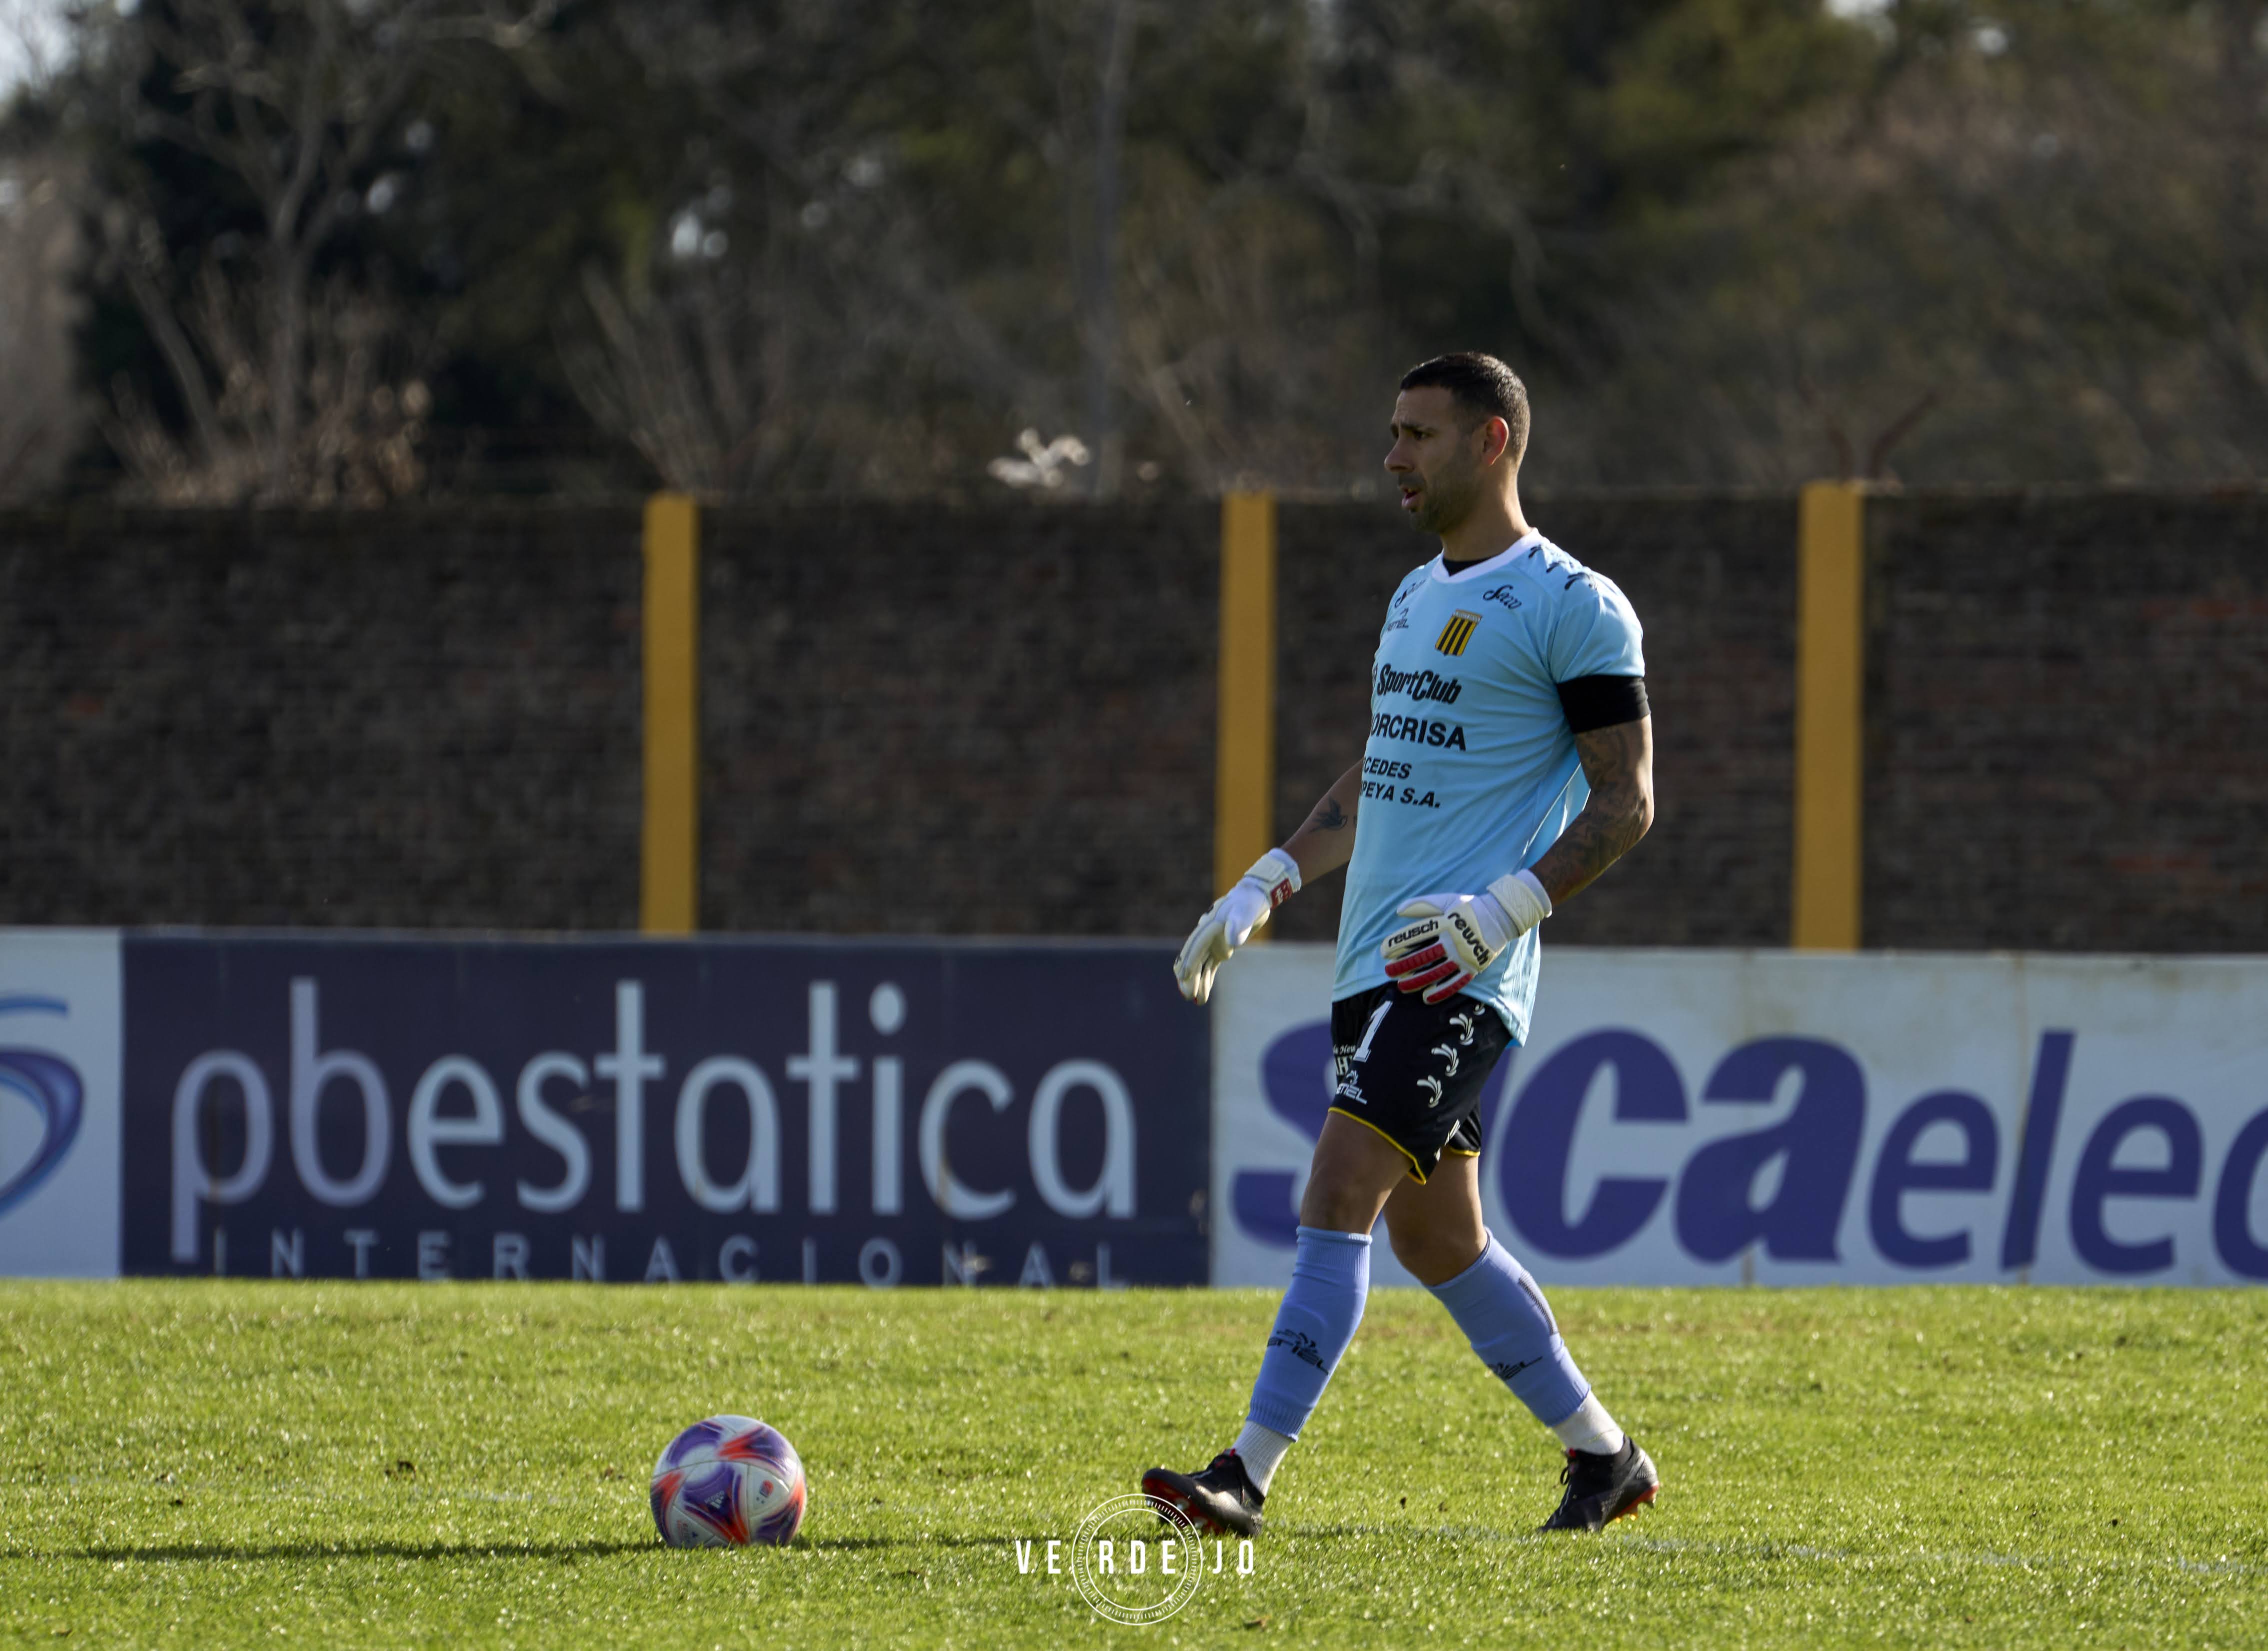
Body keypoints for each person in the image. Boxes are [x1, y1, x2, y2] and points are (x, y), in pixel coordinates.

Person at [1144, 352, 1660, 1537]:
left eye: (1417, 435)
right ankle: (1605, 1455)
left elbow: (1625, 800)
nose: (1391, 457)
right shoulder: (1415, 595)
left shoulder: (1575, 604)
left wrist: (1501, 913)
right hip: (1370, 963)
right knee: (1441, 1238)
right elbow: (1386, 768)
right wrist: (1271, 876)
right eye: (1391, 432)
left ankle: (1243, 1477)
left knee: (1338, 1190)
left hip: (1457, 971)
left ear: (1492, 443)